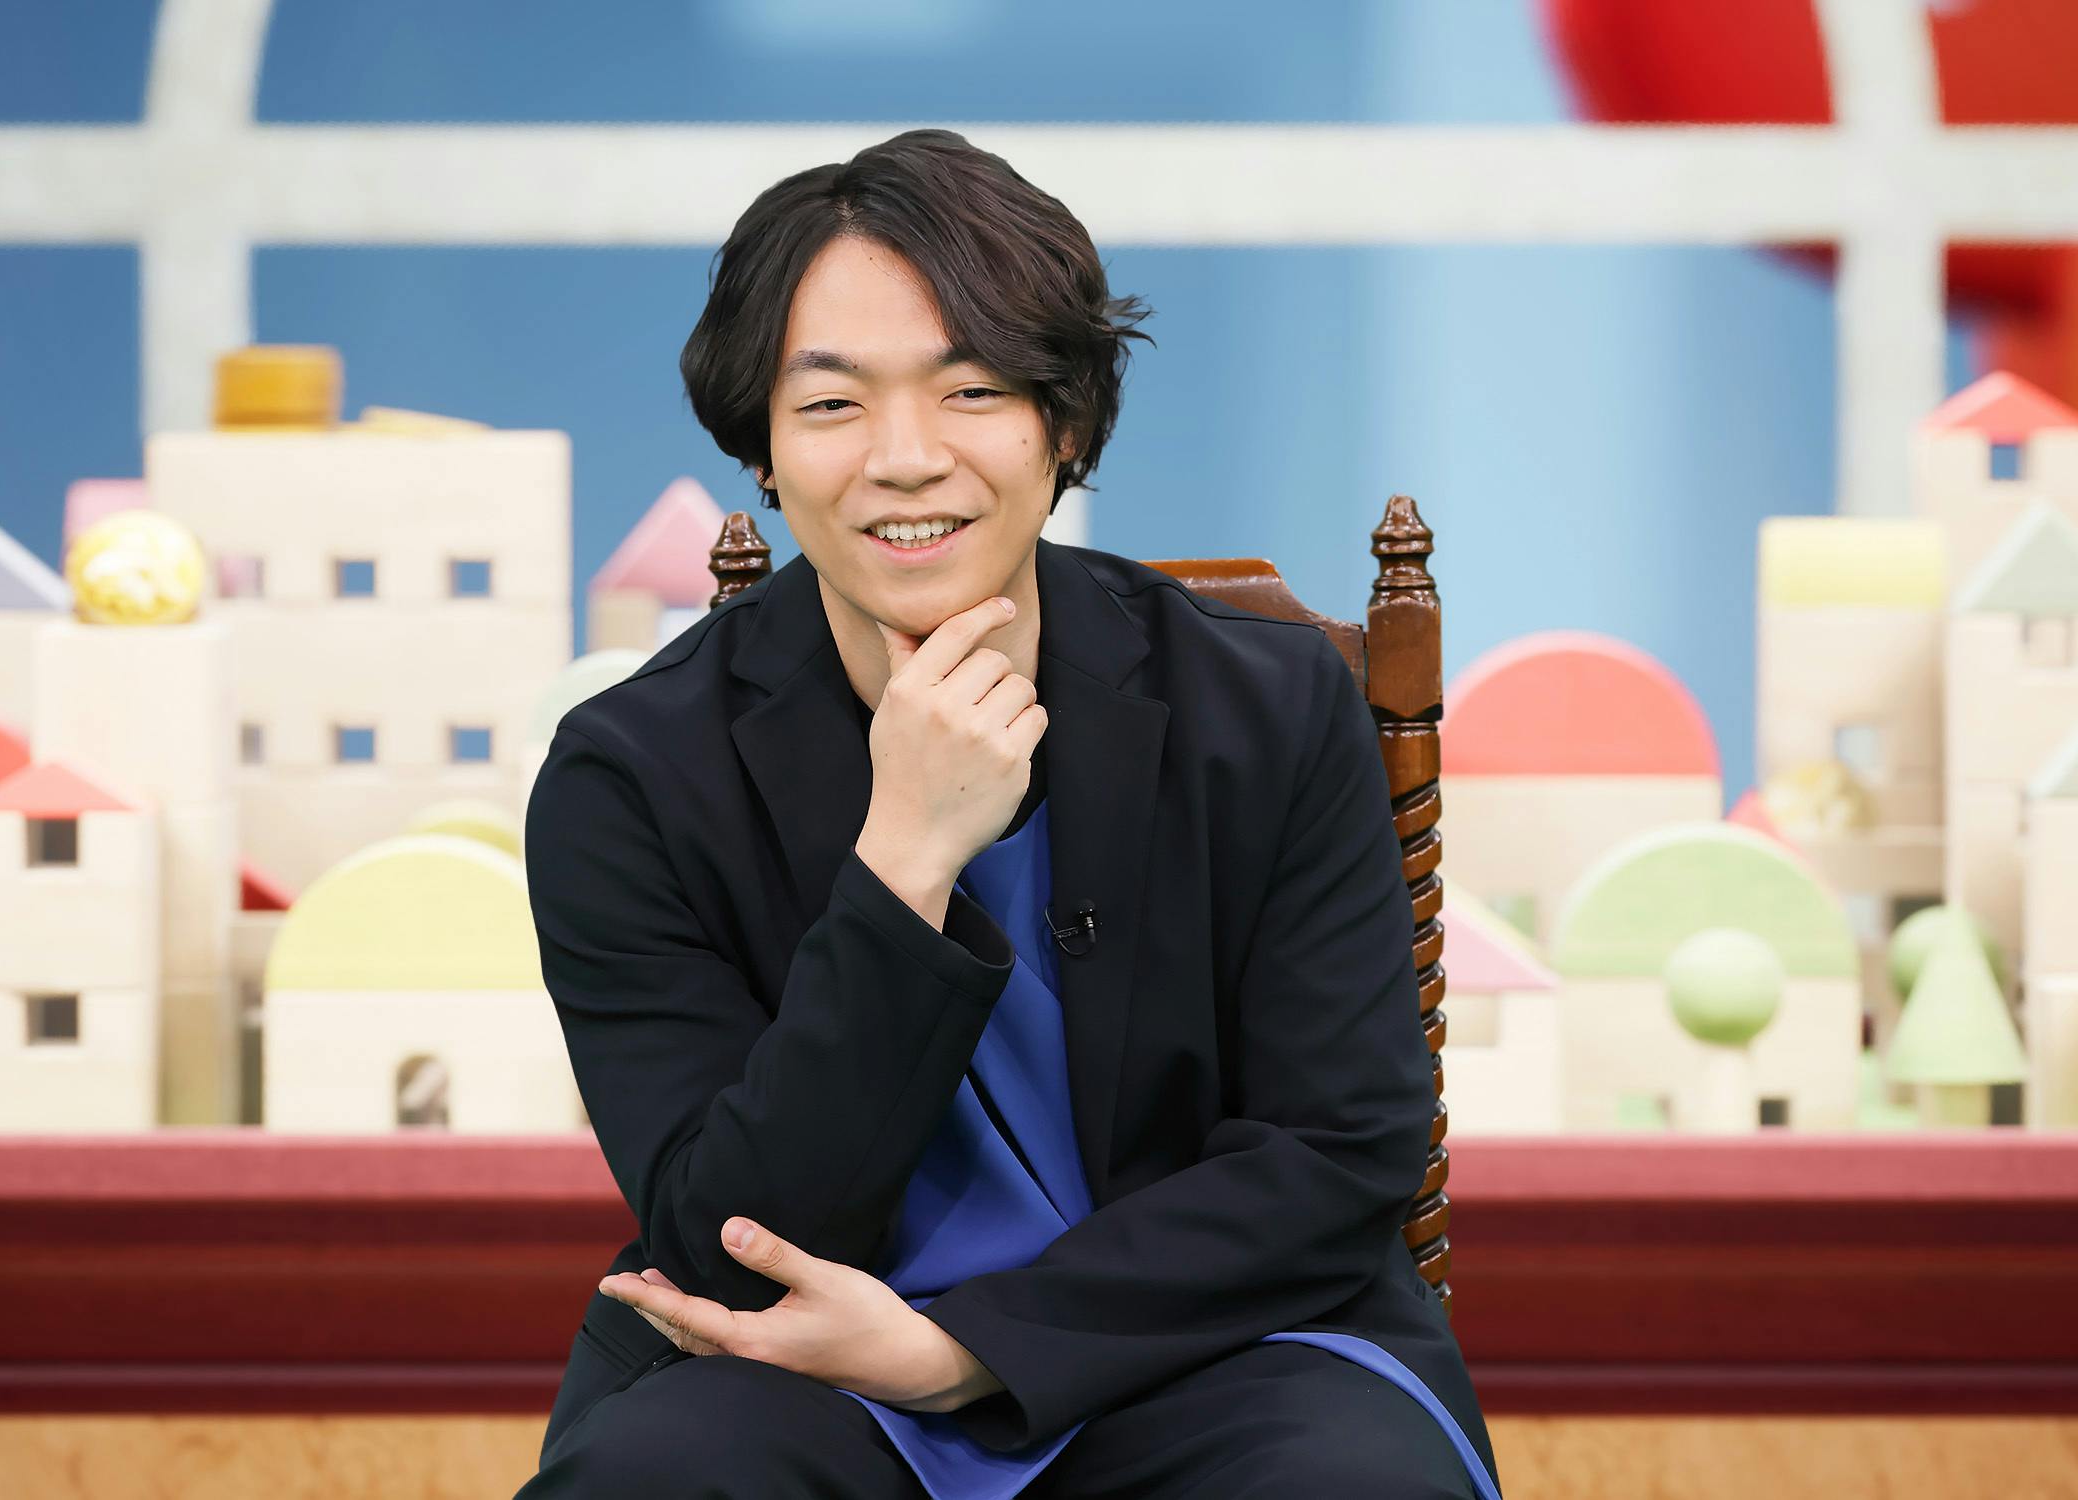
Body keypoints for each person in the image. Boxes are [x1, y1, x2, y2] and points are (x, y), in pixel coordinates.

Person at [514, 128, 1501, 1500]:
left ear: (1066, 426)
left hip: (1219, 1348)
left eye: (971, 390)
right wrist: (904, 857)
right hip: (801, 1364)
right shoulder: (628, 776)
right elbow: (725, 1230)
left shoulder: (1268, 708)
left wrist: (965, 1350)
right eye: (831, 403)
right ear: (764, 453)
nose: (906, 459)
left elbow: (1337, 1152)